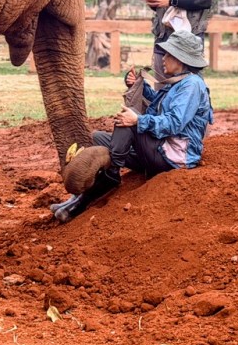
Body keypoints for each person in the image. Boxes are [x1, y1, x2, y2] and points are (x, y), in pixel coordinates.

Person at [54, 30, 214, 223]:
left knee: (128, 121)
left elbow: (173, 123)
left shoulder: (192, 85)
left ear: (181, 58)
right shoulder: (178, 83)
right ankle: (78, 198)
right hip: (159, 148)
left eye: (168, 54)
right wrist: (139, 85)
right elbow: (159, 105)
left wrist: (137, 120)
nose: (163, 58)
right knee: (97, 138)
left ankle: (108, 180)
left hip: (173, 156)